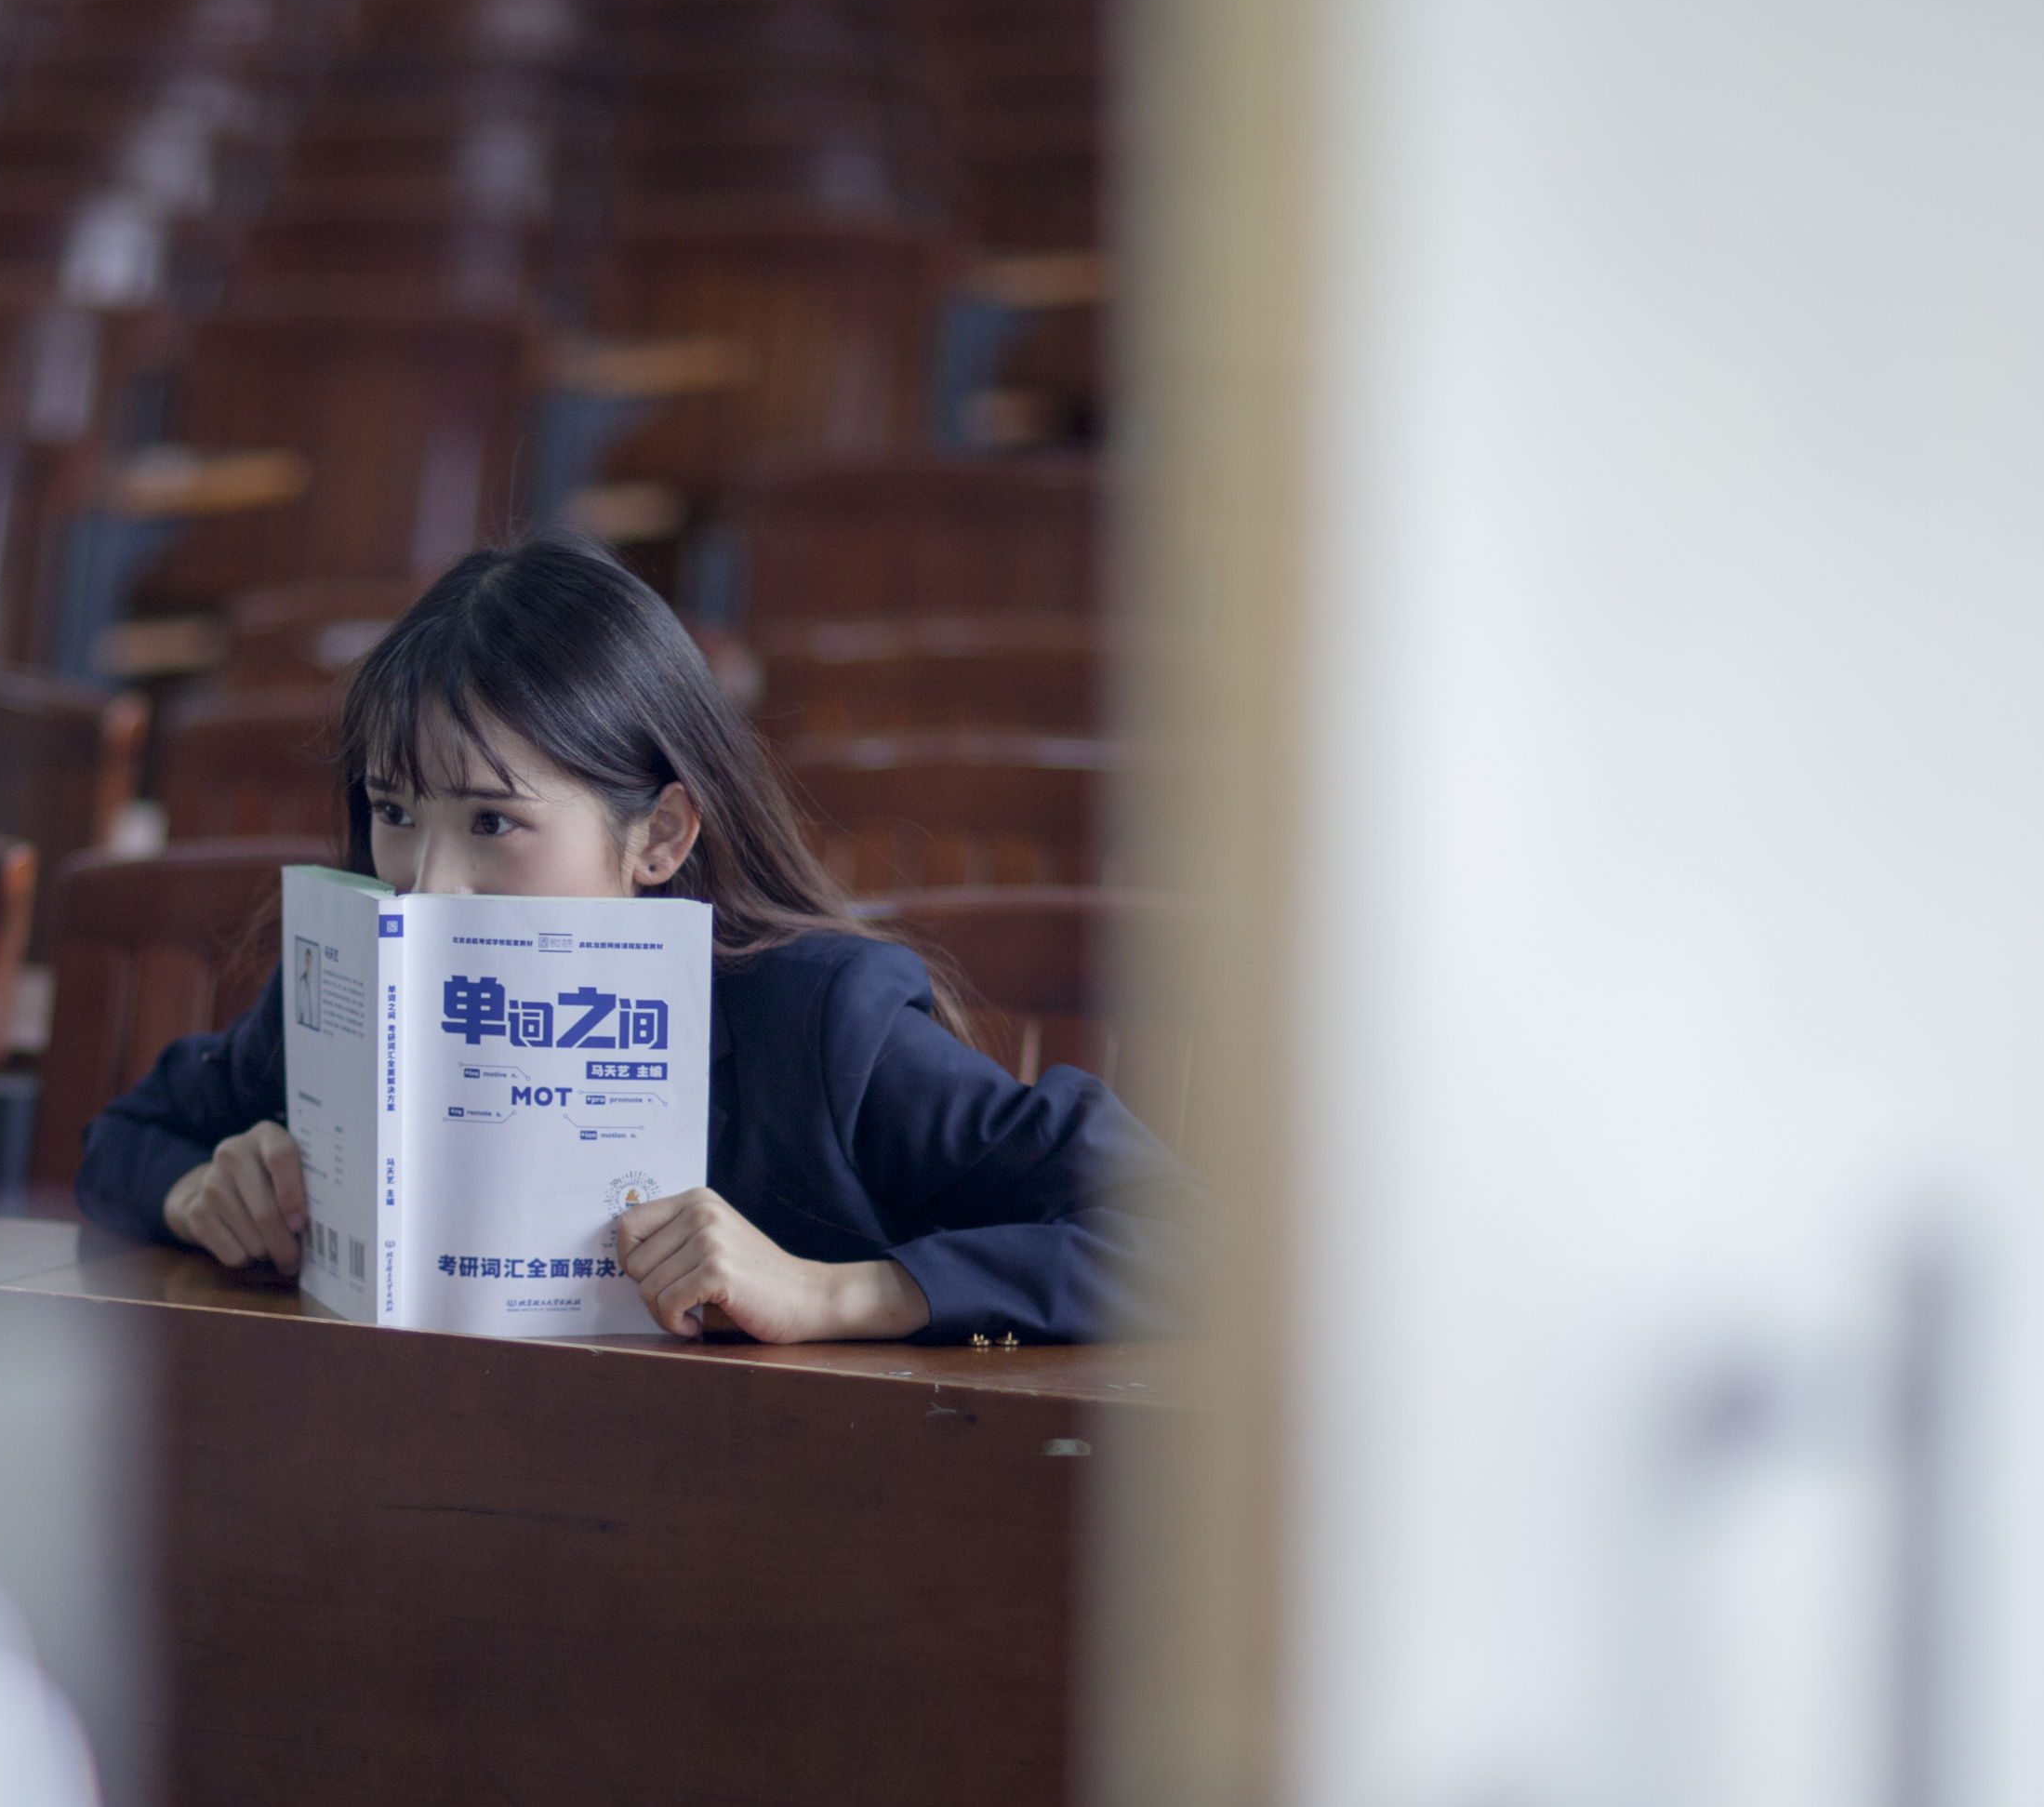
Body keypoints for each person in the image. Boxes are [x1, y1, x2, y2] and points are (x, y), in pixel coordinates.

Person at [75, 532, 1205, 1346]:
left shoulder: (820, 1023)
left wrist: (842, 1293)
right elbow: (127, 1140)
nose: (430, 885)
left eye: (495, 823)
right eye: (395, 813)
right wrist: (197, 1190)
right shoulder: (362, 987)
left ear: (659, 835)